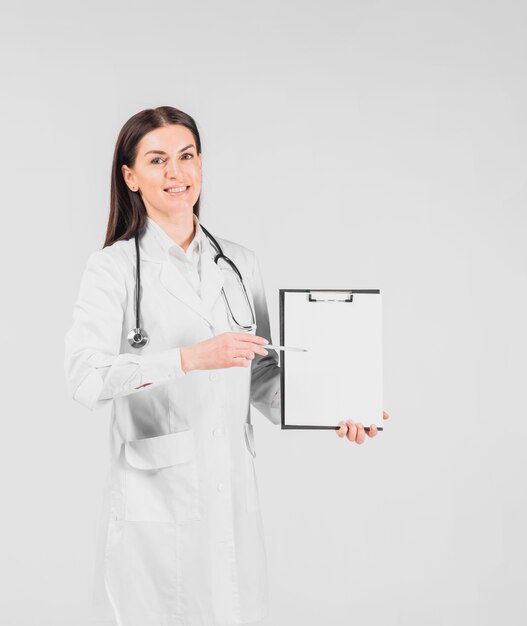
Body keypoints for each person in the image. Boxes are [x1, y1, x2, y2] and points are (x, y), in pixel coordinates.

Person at [64, 105, 390, 626]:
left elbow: (260, 374)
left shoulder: (238, 262)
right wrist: (189, 359)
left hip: (230, 489)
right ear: (130, 177)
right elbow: (84, 376)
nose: (176, 173)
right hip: (156, 497)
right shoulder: (114, 268)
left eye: (187, 156)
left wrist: (335, 410)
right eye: (157, 160)